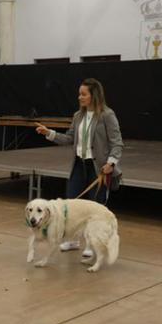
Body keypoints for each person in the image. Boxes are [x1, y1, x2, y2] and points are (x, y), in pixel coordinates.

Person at [34, 77, 124, 258]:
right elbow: (69, 138)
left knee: (95, 207)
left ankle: (92, 244)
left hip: (98, 167)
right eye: (79, 94)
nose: (79, 97)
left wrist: (111, 163)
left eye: (83, 94)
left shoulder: (107, 115)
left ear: (94, 96)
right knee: (71, 203)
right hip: (79, 164)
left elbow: (117, 143)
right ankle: (73, 240)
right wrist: (49, 133)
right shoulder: (78, 116)